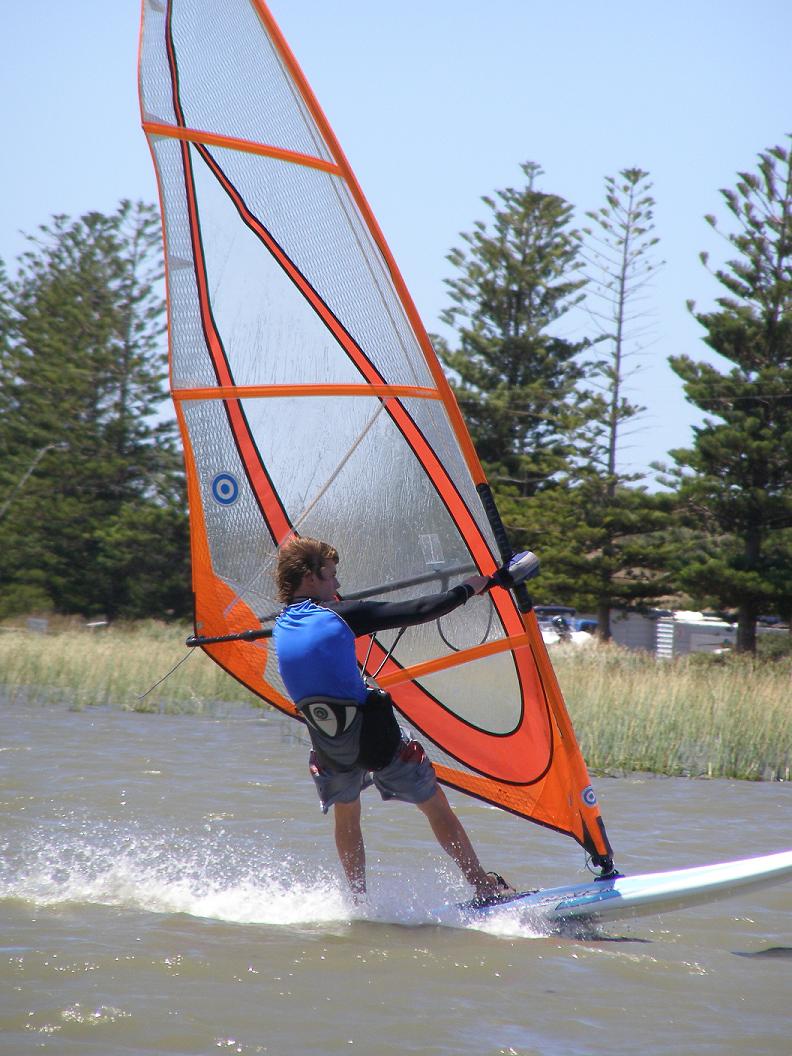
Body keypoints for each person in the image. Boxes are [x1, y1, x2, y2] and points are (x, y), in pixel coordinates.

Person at [272, 536, 514, 903]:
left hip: (328, 745)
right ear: (310, 576)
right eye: (332, 575)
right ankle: (482, 885)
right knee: (434, 803)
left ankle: (357, 902)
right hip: (375, 740)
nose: (338, 585)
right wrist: (473, 586)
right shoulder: (340, 615)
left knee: (347, 817)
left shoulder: (280, 625)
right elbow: (421, 609)